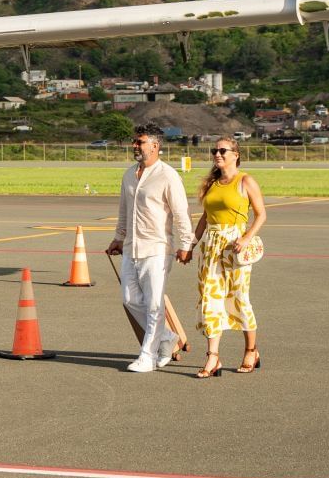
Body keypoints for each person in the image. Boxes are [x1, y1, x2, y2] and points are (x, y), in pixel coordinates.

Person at [105, 129, 194, 373]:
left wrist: (186, 244)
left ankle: (148, 356)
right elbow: (124, 210)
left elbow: (181, 213)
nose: (135, 145)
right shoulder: (129, 174)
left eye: (140, 142)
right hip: (131, 247)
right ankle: (167, 337)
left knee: (154, 304)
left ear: (155, 146)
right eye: (134, 141)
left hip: (157, 248)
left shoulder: (168, 175)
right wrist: (118, 238)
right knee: (130, 300)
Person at [190, 135, 266, 378]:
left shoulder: (245, 181)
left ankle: (251, 350)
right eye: (215, 151)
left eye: (223, 150)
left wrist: (246, 238)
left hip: (235, 246)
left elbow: (261, 214)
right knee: (210, 299)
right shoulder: (212, 183)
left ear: (236, 155)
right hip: (211, 246)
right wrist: (191, 244)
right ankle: (213, 357)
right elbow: (205, 218)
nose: (217, 154)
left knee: (238, 298)